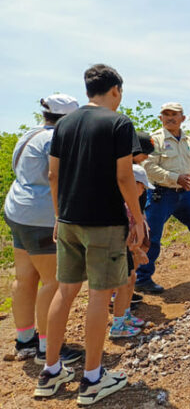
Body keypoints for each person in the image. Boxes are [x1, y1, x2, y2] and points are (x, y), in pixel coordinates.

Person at [36, 64, 144, 405]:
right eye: (120, 93)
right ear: (115, 90)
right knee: (99, 295)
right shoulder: (119, 122)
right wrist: (138, 219)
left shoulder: (64, 124)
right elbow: (125, 178)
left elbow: (53, 176)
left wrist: (58, 215)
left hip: (67, 220)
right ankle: (93, 379)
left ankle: (51, 371)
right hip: (105, 223)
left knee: (65, 292)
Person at [3, 95, 83, 365]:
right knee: (54, 281)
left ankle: (25, 341)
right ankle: (48, 348)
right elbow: (60, 176)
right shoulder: (56, 140)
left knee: (25, 276)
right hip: (43, 216)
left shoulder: (30, 135)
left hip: (18, 209)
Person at [135, 102, 190, 294]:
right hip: (161, 194)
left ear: (182, 118)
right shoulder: (155, 140)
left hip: (184, 194)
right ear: (160, 118)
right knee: (152, 236)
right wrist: (177, 178)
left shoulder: (189, 141)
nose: (170, 117)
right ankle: (142, 279)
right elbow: (149, 168)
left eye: (174, 114)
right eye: (166, 114)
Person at [110, 164, 152, 339]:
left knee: (131, 278)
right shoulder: (123, 208)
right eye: (142, 187)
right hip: (116, 249)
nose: (143, 192)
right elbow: (123, 237)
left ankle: (125, 315)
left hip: (123, 249)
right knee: (123, 283)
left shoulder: (128, 205)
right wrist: (137, 252)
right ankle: (118, 325)